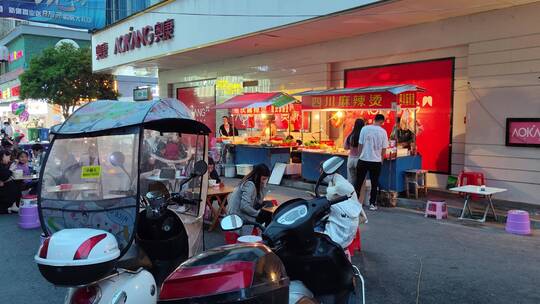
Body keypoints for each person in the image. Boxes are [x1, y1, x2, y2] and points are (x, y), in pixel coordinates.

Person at [323, 173, 366, 248]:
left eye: (322, 172)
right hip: (348, 215)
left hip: (347, 215)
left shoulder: (341, 185)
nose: (321, 175)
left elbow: (330, 197)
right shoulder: (334, 181)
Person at [356, 114, 389, 211]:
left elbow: (360, 144)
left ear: (374, 120)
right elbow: (384, 148)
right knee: (374, 183)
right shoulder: (383, 132)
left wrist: (359, 156)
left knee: (359, 182)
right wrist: (381, 159)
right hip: (376, 161)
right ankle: (372, 204)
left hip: (363, 159)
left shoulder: (364, 129)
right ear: (382, 122)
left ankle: (356, 202)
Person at [227, 164, 270, 235]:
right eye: (263, 179)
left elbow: (259, 201)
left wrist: (263, 186)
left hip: (240, 213)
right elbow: (244, 206)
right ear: (257, 176)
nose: (264, 181)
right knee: (267, 216)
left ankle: (262, 235)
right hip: (239, 216)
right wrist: (258, 214)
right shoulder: (249, 184)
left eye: (266, 179)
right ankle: (265, 237)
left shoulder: (254, 183)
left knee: (268, 205)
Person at [344, 119, 365, 199]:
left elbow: (345, 147)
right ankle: (358, 198)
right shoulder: (362, 136)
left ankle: (350, 197)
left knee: (350, 180)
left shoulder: (350, 136)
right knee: (359, 181)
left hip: (350, 159)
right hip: (359, 160)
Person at [0, 149, 19, 213]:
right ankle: (8, 208)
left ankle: (12, 206)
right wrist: (11, 170)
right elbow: (5, 175)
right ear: (3, 156)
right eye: (8, 157)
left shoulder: (3, 165)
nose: (9, 159)